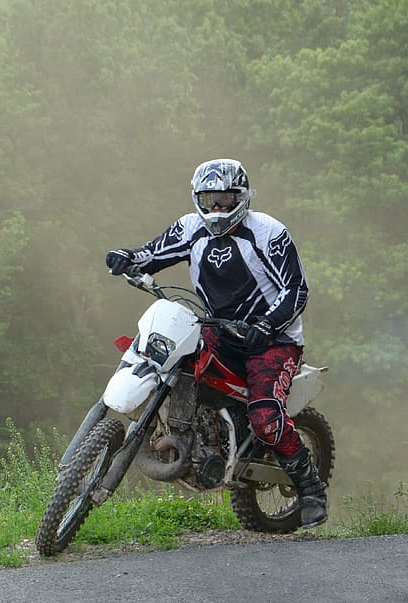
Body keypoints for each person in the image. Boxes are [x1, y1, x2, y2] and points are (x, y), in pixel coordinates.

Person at [105, 158, 327, 528]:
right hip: (216, 328)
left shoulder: (268, 233)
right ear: (198, 199)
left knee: (265, 417)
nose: (217, 208)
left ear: (242, 196)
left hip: (271, 341)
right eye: (209, 199)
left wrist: (267, 325)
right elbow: (152, 254)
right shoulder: (191, 228)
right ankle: (189, 433)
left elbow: (296, 290)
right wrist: (128, 258)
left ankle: (310, 487)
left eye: (225, 198)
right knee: (170, 360)